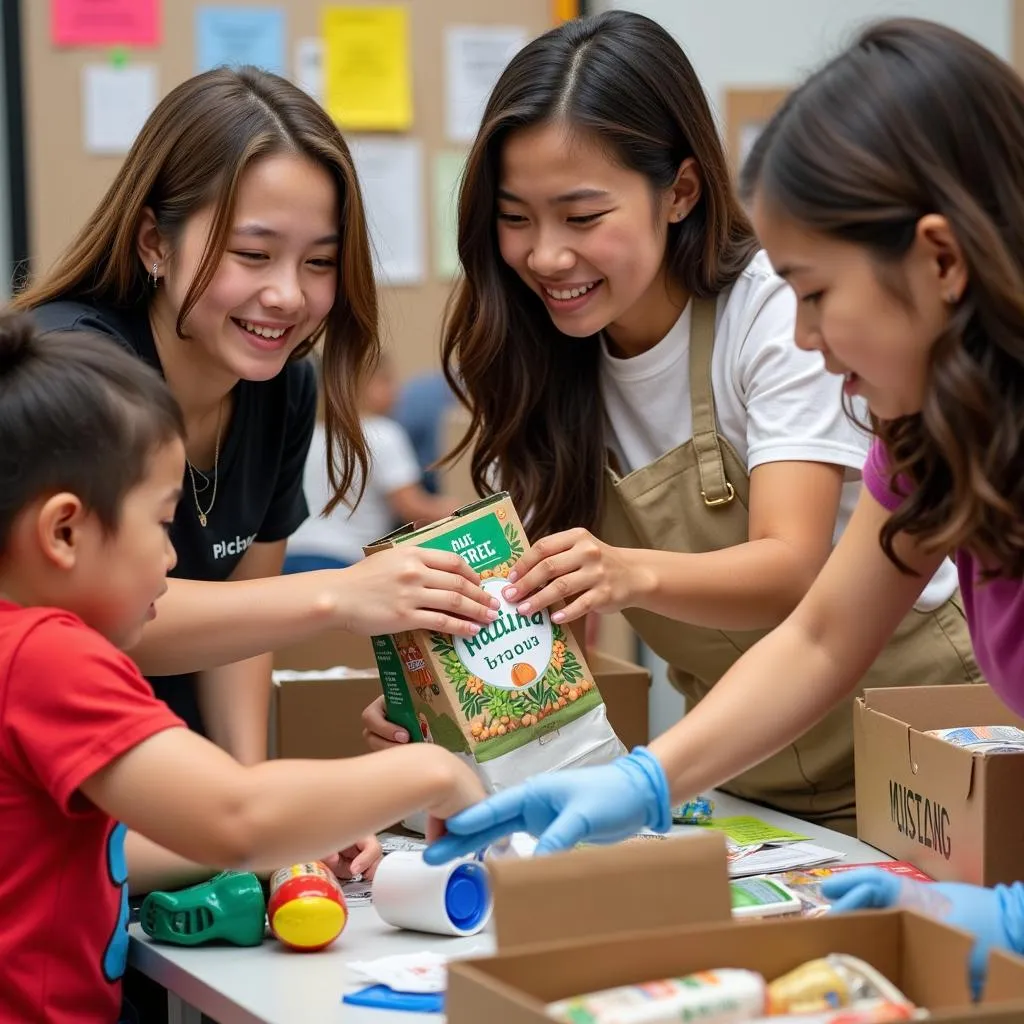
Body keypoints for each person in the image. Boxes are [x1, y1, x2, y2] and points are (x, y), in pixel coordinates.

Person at [425, 17, 1024, 995]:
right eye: (518, 217)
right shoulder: (919, 439)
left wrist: (1005, 913)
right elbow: (827, 631)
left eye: (814, 290)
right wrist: (644, 781)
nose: (803, 336)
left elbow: (794, 579)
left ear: (940, 261)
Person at [0, 315, 488, 1023]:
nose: (172, 559)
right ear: (64, 531)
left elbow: (98, 851)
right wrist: (438, 774)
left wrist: (301, 833)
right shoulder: (49, 655)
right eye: (162, 522)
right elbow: (236, 814)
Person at [12, 66, 498, 766]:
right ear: (154, 242)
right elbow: (94, 620)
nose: (287, 295)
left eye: (320, 262)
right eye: (253, 254)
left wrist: (257, 800)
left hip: (177, 779)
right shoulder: (78, 368)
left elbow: (242, 626)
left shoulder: (283, 389)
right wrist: (338, 595)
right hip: (59, 782)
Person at [285, 354, 457, 572]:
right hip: (345, 562)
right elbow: (411, 507)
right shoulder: (382, 433)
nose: (397, 391)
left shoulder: (307, 434)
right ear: (360, 384)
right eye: (386, 381)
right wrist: (458, 508)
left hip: (289, 559)